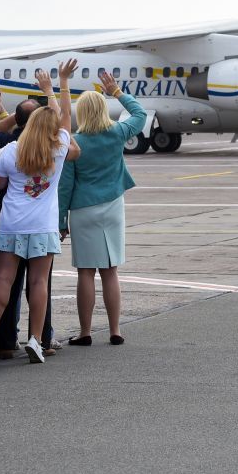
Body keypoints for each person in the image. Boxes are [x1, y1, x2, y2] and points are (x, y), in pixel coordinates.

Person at [0, 61, 79, 365]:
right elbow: (65, 124)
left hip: (12, 222)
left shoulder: (9, 151)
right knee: (38, 283)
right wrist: (57, 86)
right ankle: (36, 339)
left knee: (5, 280)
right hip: (42, 224)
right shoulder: (58, 146)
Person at [59, 72, 147, 346]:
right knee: (111, 270)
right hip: (112, 205)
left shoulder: (75, 142)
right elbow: (140, 114)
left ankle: (85, 332)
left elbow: (65, 185)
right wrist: (117, 92)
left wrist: (62, 219)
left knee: (85, 271)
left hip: (84, 208)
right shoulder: (118, 133)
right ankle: (115, 330)